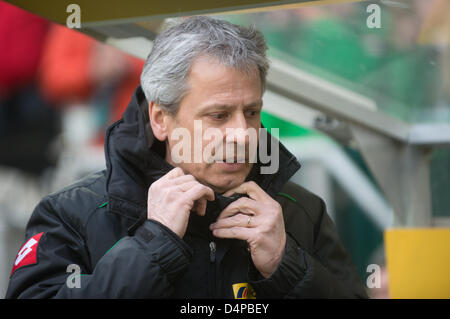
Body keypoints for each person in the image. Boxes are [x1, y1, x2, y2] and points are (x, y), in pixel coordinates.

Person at [6, 16, 367, 299]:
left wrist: (286, 266)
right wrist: (153, 245)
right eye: (218, 115)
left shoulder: (299, 213)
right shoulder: (74, 215)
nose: (243, 134)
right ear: (161, 119)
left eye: (252, 112)